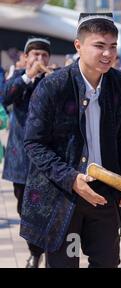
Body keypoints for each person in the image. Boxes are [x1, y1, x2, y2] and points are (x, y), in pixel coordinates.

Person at [20, 13, 121, 268]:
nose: (107, 54)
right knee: (64, 264)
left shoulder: (118, 82)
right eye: (99, 46)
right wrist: (70, 178)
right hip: (63, 193)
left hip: (105, 192)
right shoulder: (54, 86)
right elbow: (34, 143)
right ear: (78, 46)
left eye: (112, 46)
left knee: (107, 261)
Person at [2, 37, 52, 268]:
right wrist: (27, 75)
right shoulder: (16, 79)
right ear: (25, 58)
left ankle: (46, 251)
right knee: (24, 207)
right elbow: (6, 98)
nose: (39, 59)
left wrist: (49, 76)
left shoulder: (54, 79)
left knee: (49, 207)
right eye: (35, 55)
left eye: (44, 55)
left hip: (48, 158)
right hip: (21, 158)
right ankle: (35, 249)